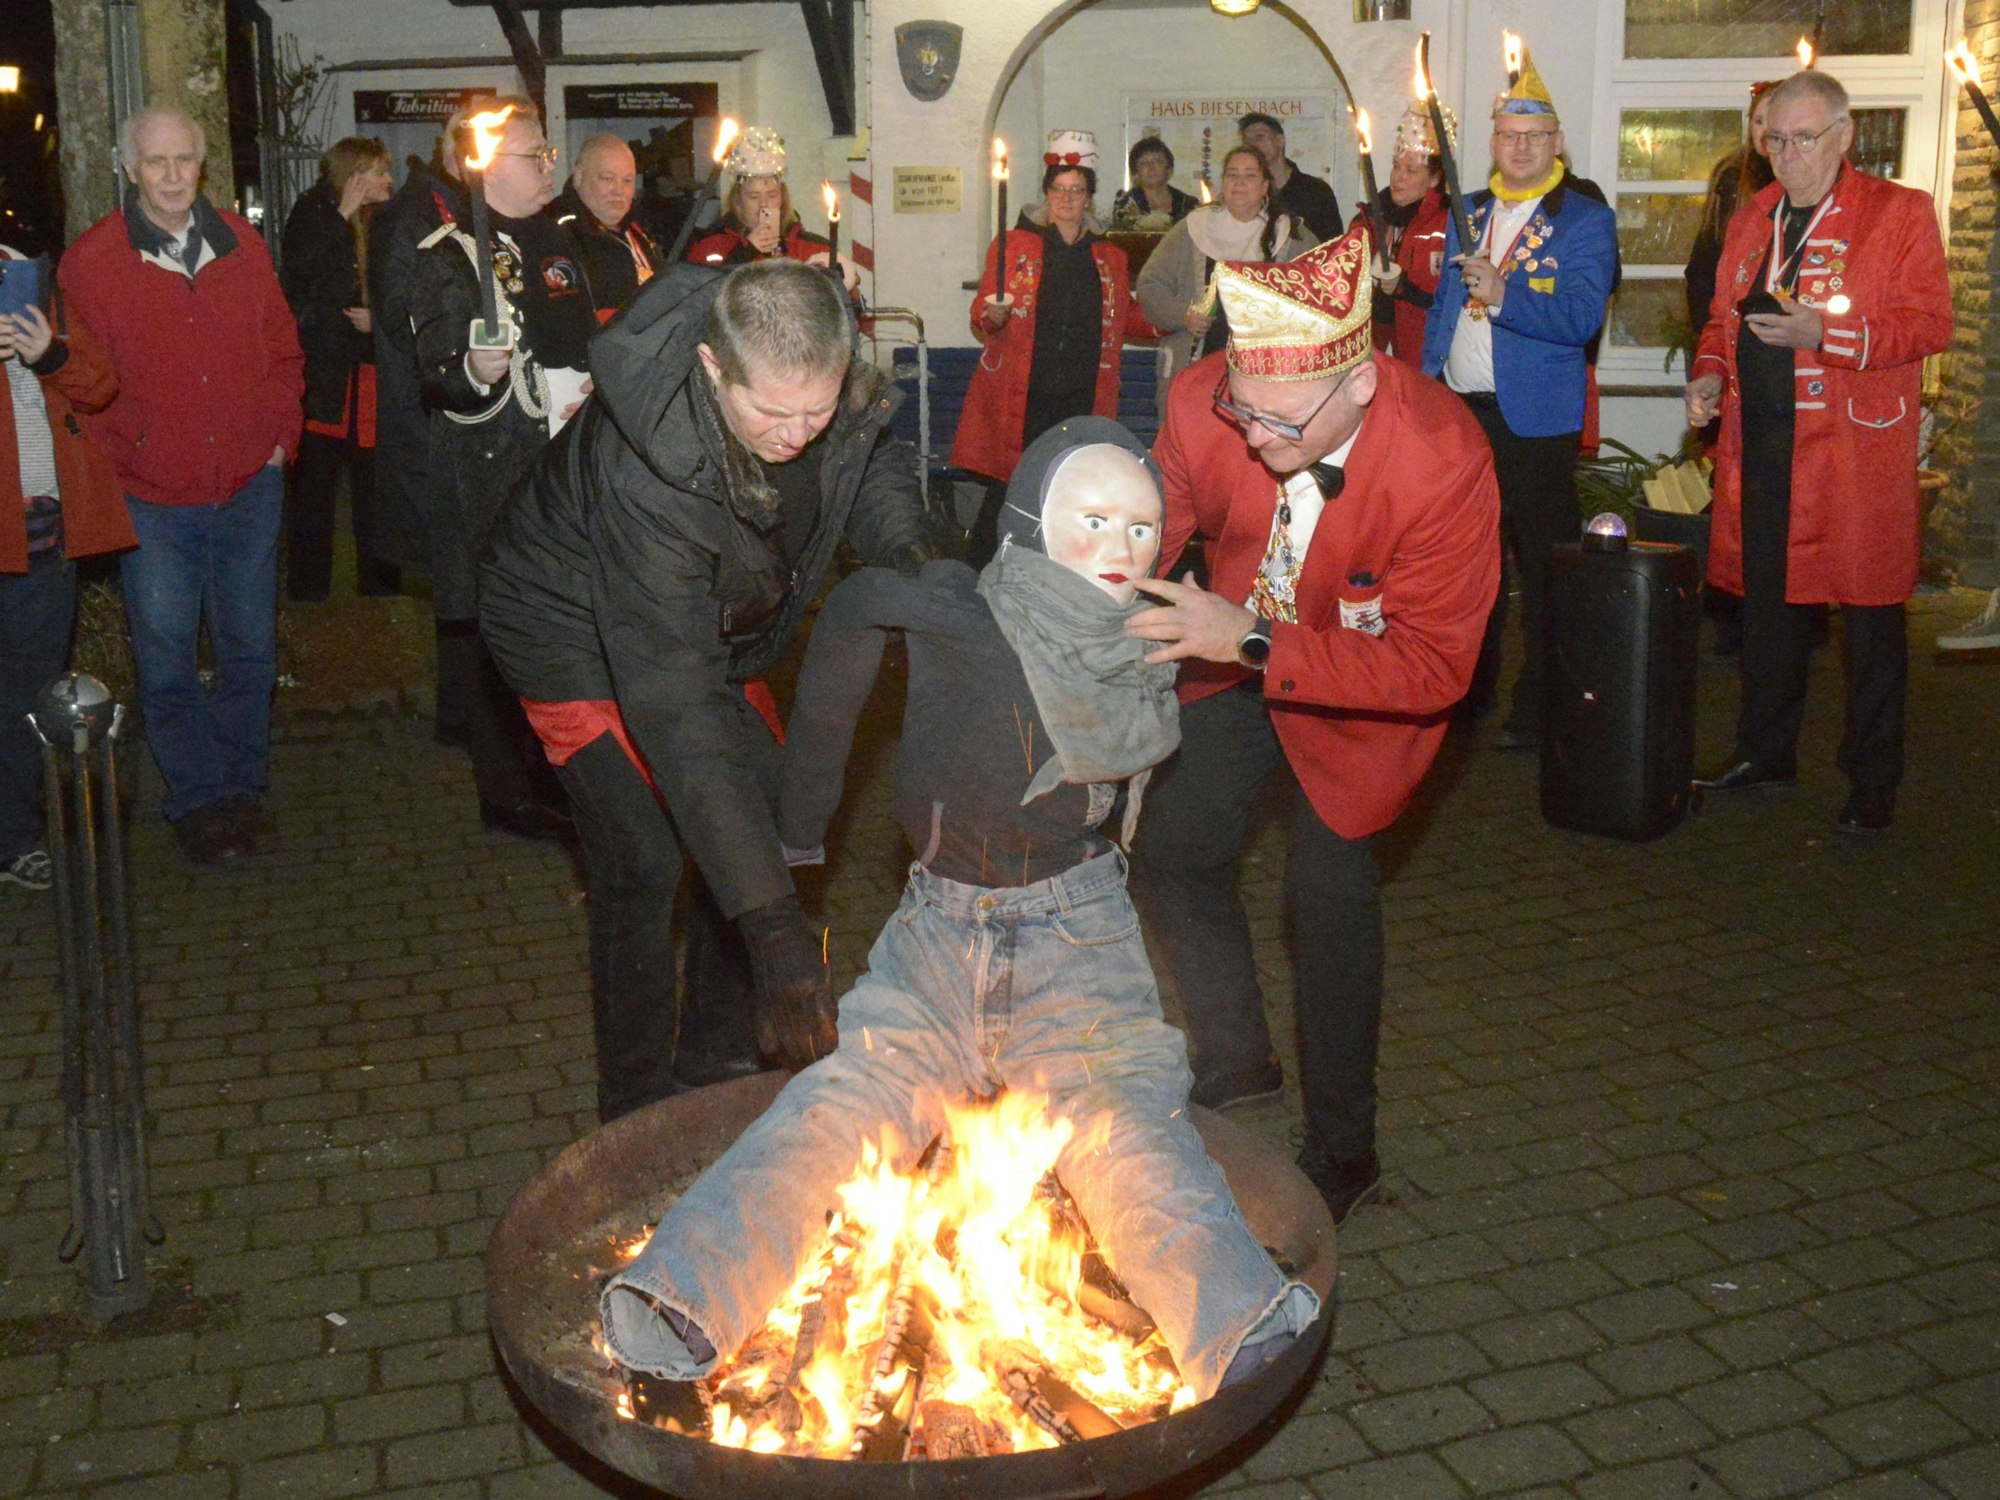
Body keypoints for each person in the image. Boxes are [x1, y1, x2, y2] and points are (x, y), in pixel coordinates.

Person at [600, 418, 1318, 1404]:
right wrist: (800, 826)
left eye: (1141, 528)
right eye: (1092, 519)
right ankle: (683, 1296)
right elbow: (860, 606)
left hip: (1078, 944)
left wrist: (1248, 634)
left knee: (1124, 1130)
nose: (1120, 546)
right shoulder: (962, 611)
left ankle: (1236, 1324)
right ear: (1029, 520)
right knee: (839, 1106)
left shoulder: (1144, 643)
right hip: (936, 941)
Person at [479, 259, 933, 1124]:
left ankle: (717, 1052)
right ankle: (638, 1103)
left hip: (710, 613)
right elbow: (676, 709)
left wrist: (912, 560)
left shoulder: (806, 381)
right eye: (773, 414)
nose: (797, 435)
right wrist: (775, 931)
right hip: (565, 624)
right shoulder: (651, 470)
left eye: (816, 410)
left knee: (767, 816)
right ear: (712, 367)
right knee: (645, 853)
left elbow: (861, 462)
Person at [1127, 227, 1499, 1225]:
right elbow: (1148, 535)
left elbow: (1432, 668)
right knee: (1173, 848)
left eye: (1280, 421)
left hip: (1361, 685)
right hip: (1234, 648)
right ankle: (1237, 1066)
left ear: (1362, 382)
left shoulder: (1444, 458)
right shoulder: (1204, 402)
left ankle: (1343, 1151)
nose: (1252, 437)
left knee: (1326, 900)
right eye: (1241, 409)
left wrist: (1250, 639)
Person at [1686, 69, 1952, 834]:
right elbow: (1721, 319)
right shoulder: (1753, 218)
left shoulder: (1898, 213)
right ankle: (1764, 753)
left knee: (1869, 621)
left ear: (1845, 136)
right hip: (1762, 446)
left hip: (1852, 453)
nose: (1789, 155)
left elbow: (1930, 324)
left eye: (1805, 138)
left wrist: (1824, 334)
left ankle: (1872, 784)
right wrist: (1710, 373)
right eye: (1775, 139)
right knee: (1766, 611)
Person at [59, 106, 304, 866]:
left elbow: (283, 347)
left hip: (248, 485)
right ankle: (198, 800)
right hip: (154, 497)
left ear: (202, 165)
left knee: (249, 650)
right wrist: (127, 459)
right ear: (128, 168)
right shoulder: (92, 263)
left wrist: (280, 438)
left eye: (184, 160)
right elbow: (84, 385)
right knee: (165, 659)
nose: (171, 176)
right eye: (155, 161)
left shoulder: (240, 243)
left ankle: (240, 789)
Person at [408, 97, 596, 843]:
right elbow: (437, 368)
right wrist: (473, 369)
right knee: (499, 631)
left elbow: (576, 334)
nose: (549, 166)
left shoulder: (557, 238)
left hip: (564, 462)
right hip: (495, 474)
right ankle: (508, 792)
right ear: (487, 166)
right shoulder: (448, 254)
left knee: (560, 627)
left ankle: (562, 774)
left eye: (548, 153)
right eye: (533, 155)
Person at [1420, 47, 1617, 749]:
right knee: (1464, 565)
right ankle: (1466, 697)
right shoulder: (1468, 211)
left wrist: (1506, 295)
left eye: (1535, 136)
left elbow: (1582, 318)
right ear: (1494, 142)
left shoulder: (1584, 219)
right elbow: (1445, 307)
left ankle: (1542, 706)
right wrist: (1424, 386)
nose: (1522, 147)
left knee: (1541, 568)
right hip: (1459, 415)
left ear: (1557, 141)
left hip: (1532, 422)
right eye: (1509, 135)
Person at [951, 130, 1156, 563]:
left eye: (1076, 190)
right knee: (1010, 487)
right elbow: (981, 314)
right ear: (1046, 194)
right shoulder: (1013, 246)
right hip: (1024, 395)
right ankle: (980, 572)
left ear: (1089, 199)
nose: (1066, 199)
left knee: (1068, 489)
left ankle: (1058, 569)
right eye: (1058, 189)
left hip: (1081, 396)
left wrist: (1175, 321)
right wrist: (994, 315)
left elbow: (1126, 316)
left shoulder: (1110, 257)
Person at [1, 248, 131, 893]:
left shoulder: (33, 283)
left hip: (40, 539)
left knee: (26, 700)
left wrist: (47, 354)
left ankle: (15, 838)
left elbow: (100, 383)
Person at [369, 124, 470, 747]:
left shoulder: (467, 206)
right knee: (456, 575)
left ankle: (473, 715)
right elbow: (403, 321)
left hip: (457, 420)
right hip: (434, 423)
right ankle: (461, 719)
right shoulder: (414, 215)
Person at [279, 135, 398, 603]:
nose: (390, 180)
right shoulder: (314, 212)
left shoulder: (384, 220)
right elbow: (301, 268)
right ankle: (309, 590)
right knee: (315, 485)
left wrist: (379, 322)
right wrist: (341, 214)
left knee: (374, 485)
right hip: (325, 373)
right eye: (381, 171)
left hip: (366, 372)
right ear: (356, 175)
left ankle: (378, 585)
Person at [1135, 145, 1313, 406]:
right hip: (1196, 369)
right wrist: (1184, 315)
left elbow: (1319, 293)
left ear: (1265, 185)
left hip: (1268, 373)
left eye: (1250, 175)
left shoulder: (1291, 236)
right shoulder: (1193, 228)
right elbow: (1150, 283)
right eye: (1232, 174)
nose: (1239, 183)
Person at [1686, 81, 1779, 360]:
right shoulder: (1733, 175)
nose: (1765, 131)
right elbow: (1708, 257)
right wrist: (1709, 332)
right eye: (1758, 121)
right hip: (1728, 316)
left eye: (1772, 120)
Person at [1359, 101, 1454, 366]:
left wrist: (1403, 288)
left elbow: (1451, 298)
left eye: (1411, 171)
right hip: (1375, 348)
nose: (1398, 177)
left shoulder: (1449, 224)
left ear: (1434, 179)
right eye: (1396, 166)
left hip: (1422, 352)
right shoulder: (1371, 218)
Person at [684, 128, 834, 267]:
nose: (764, 204)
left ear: (782, 199)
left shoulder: (814, 248)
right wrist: (744, 253)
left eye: (772, 195)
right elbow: (703, 285)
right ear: (738, 201)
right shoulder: (711, 247)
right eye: (753, 197)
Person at [551, 134, 664, 315]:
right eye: (608, 179)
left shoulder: (638, 230)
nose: (619, 191)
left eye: (627, 181)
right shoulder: (557, 232)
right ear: (579, 177)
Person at [1238, 112, 1342, 243]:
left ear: (1280, 141)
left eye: (1259, 137)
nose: (1252, 146)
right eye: (1246, 142)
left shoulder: (1316, 191)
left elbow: (1334, 246)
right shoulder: (1245, 193)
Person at [1111, 136, 1199, 229]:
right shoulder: (1126, 204)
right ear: (1136, 172)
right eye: (1144, 163)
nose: (1151, 168)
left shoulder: (1188, 204)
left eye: (1158, 161)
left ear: (1168, 169)